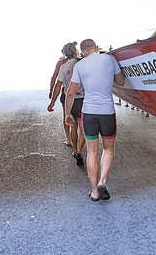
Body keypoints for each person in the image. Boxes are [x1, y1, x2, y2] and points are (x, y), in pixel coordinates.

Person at [65, 39, 125, 201]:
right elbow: (121, 81)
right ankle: (102, 182)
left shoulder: (79, 65)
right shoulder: (109, 59)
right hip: (107, 112)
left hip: (89, 113)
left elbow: (70, 93)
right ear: (96, 48)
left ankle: (95, 192)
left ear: (82, 52)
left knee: (92, 151)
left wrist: (67, 114)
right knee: (108, 149)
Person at [48, 42, 85, 165]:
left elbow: (58, 85)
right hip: (83, 99)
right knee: (83, 128)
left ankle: (74, 149)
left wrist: (52, 103)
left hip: (70, 100)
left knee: (73, 126)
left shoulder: (63, 67)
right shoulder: (82, 64)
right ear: (75, 52)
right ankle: (79, 150)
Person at [49, 48, 71, 146]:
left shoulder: (61, 62)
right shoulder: (79, 61)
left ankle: (69, 139)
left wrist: (51, 90)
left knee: (66, 115)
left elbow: (54, 78)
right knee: (79, 117)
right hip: (81, 93)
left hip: (66, 92)